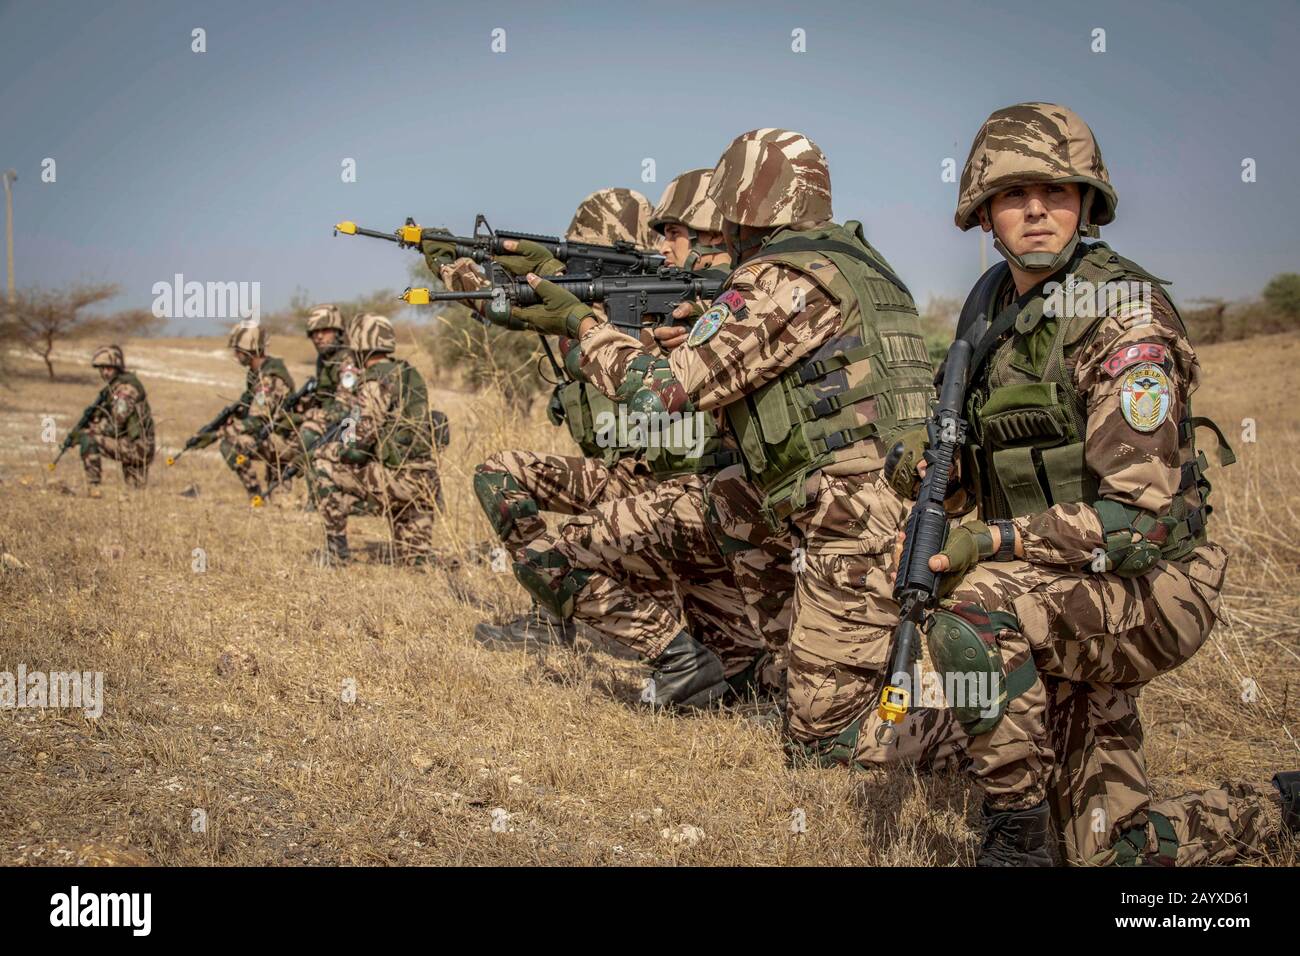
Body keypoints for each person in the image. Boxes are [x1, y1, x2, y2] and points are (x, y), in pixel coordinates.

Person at [887, 101, 1299, 864]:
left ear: (1089, 203)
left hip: (1154, 582)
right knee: (1117, 855)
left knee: (974, 602)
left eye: (1059, 192)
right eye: (1014, 195)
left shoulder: (1123, 320)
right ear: (984, 213)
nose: (1037, 210)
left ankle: (1015, 833)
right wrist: (928, 470)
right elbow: (998, 454)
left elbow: (1136, 524)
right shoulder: (991, 313)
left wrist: (996, 538)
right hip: (1063, 580)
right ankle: (1280, 807)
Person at [77, 345, 156, 495]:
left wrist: (93, 429)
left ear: (117, 368)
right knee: (136, 496)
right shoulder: (117, 387)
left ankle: (94, 487)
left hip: (137, 447)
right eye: (102, 368)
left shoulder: (125, 389)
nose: (105, 372)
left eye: (109, 368)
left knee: (89, 439)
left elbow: (116, 423)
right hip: (136, 444)